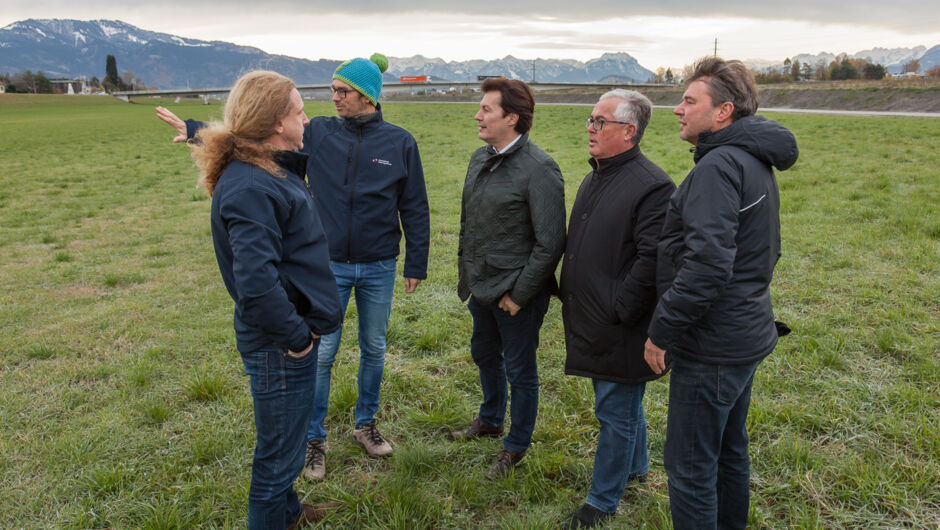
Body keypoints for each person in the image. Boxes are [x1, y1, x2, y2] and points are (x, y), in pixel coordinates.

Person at [157, 53, 430, 481]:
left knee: (374, 348)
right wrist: (196, 131)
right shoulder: (317, 132)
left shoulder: (400, 142)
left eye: (343, 91)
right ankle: (313, 440)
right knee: (321, 355)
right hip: (327, 267)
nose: (334, 98)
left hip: (379, 264)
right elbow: (253, 130)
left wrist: (417, 260)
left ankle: (366, 425)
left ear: (368, 97)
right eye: (333, 90)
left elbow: (414, 205)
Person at [644, 57, 798, 529]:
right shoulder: (751, 160)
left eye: (689, 100)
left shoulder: (719, 165)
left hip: (712, 346)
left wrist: (662, 331)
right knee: (729, 450)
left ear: (723, 111)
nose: (678, 109)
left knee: (690, 467)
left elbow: (708, 264)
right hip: (744, 334)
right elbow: (763, 251)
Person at [188, 70, 342, 529]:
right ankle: (275, 514)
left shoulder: (267, 171)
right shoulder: (253, 185)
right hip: (279, 345)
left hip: (285, 338)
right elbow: (256, 285)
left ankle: (288, 513)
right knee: (277, 459)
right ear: (276, 122)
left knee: (287, 443)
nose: (306, 119)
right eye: (299, 112)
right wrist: (298, 340)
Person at [559, 90, 675, 529]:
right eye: (590, 119)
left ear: (628, 131)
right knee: (623, 398)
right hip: (595, 314)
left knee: (615, 410)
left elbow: (653, 258)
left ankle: (601, 502)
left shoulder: (652, 186)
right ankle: (637, 466)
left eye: (599, 122)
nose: (590, 128)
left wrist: (620, 307)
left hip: (620, 321)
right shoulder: (598, 174)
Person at [447, 78, 566, 479]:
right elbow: (470, 222)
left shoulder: (540, 169)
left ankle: (516, 445)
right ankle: (491, 419)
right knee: (484, 353)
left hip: (516, 294)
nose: (477, 116)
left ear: (511, 118)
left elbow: (551, 242)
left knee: (520, 370)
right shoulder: (480, 158)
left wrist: (519, 294)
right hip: (481, 286)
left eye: (486, 109)